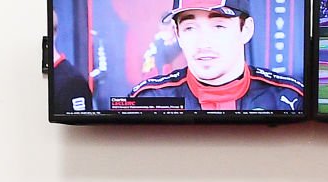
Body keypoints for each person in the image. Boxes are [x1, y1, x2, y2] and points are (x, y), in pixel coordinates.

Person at [128, 4, 306, 112]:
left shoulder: (291, 97)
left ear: (246, 30)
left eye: (219, 26)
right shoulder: (147, 98)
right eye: (190, 28)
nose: (204, 43)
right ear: (177, 34)